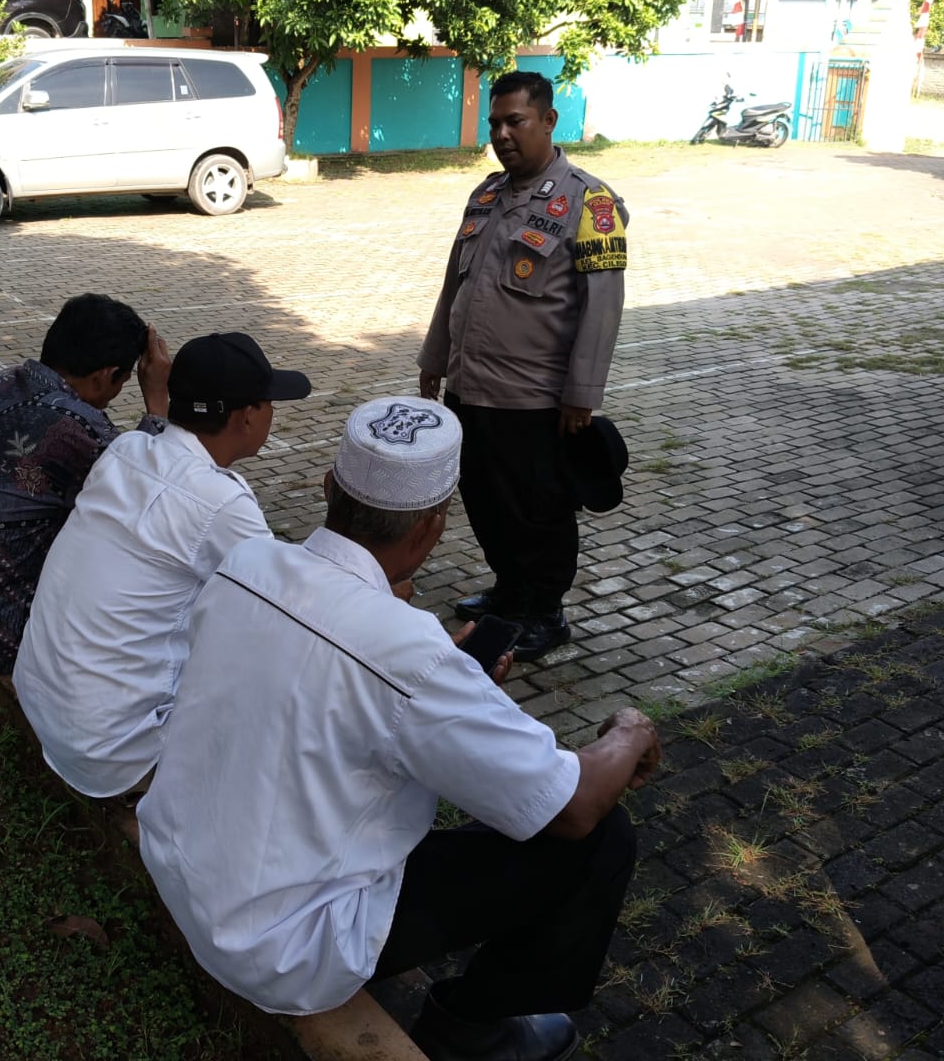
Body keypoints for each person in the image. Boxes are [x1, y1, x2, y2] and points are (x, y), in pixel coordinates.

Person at [137, 396, 659, 1061]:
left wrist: (452, 681)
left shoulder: (245, 565)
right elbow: (574, 806)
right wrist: (630, 732)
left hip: (180, 871)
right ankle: (472, 1026)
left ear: (329, 488)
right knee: (603, 837)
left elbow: (317, 683)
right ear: (433, 525)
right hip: (283, 951)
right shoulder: (412, 654)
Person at [12, 331, 311, 798]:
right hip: (111, 754)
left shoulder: (126, 451)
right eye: (269, 402)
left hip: (45, 705)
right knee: (282, 664)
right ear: (247, 416)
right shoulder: (223, 502)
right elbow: (292, 609)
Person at [418, 70, 628, 662]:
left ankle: (544, 611)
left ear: (549, 121)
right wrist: (435, 359)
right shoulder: (485, 195)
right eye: (495, 123)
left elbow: (603, 306)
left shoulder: (590, 202)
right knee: (485, 499)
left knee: (537, 510)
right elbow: (453, 286)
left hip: (534, 398)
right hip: (471, 387)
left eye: (516, 121)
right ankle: (510, 590)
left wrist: (582, 392)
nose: (502, 134)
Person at [0, 294, 172, 676]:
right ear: (104, 376)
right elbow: (148, 490)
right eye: (121, 381)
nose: (117, 392)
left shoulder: (5, 382)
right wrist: (157, 402)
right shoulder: (76, 427)